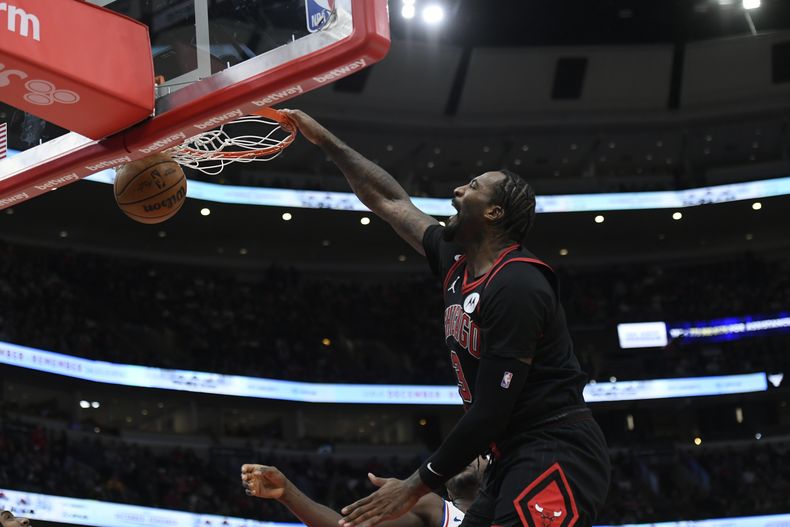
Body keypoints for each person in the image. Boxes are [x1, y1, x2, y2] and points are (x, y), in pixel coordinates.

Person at [281, 110, 611, 527]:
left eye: (472, 187)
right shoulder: (457, 262)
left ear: (493, 214)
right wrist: (324, 140)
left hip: (555, 448)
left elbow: (492, 410)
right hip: (509, 454)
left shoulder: (517, 284)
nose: (457, 190)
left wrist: (415, 484)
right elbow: (389, 200)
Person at [240, 461, 483, 527]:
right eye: (458, 454)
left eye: (475, 452)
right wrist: (288, 493)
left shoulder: (514, 506)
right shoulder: (433, 507)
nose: (463, 459)